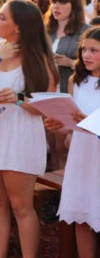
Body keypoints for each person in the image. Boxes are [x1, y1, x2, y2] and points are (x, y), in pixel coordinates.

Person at [0, 0, 58, 258]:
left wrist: (18, 98)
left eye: (2, 17)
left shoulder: (39, 60)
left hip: (21, 135)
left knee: (21, 207)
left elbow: (47, 108)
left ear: (19, 27)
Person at [49, 26, 100, 258]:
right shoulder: (75, 80)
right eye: (84, 49)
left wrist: (89, 121)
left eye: (94, 50)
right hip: (82, 154)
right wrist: (62, 125)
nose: (86, 55)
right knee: (82, 212)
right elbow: (73, 119)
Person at [45, 0, 89, 170]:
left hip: (68, 95)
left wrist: (71, 63)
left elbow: (94, 64)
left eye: (63, 2)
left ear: (75, 6)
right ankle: (55, 194)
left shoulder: (85, 32)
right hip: (45, 96)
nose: (57, 6)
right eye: (54, 2)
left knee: (66, 147)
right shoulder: (47, 30)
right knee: (53, 147)